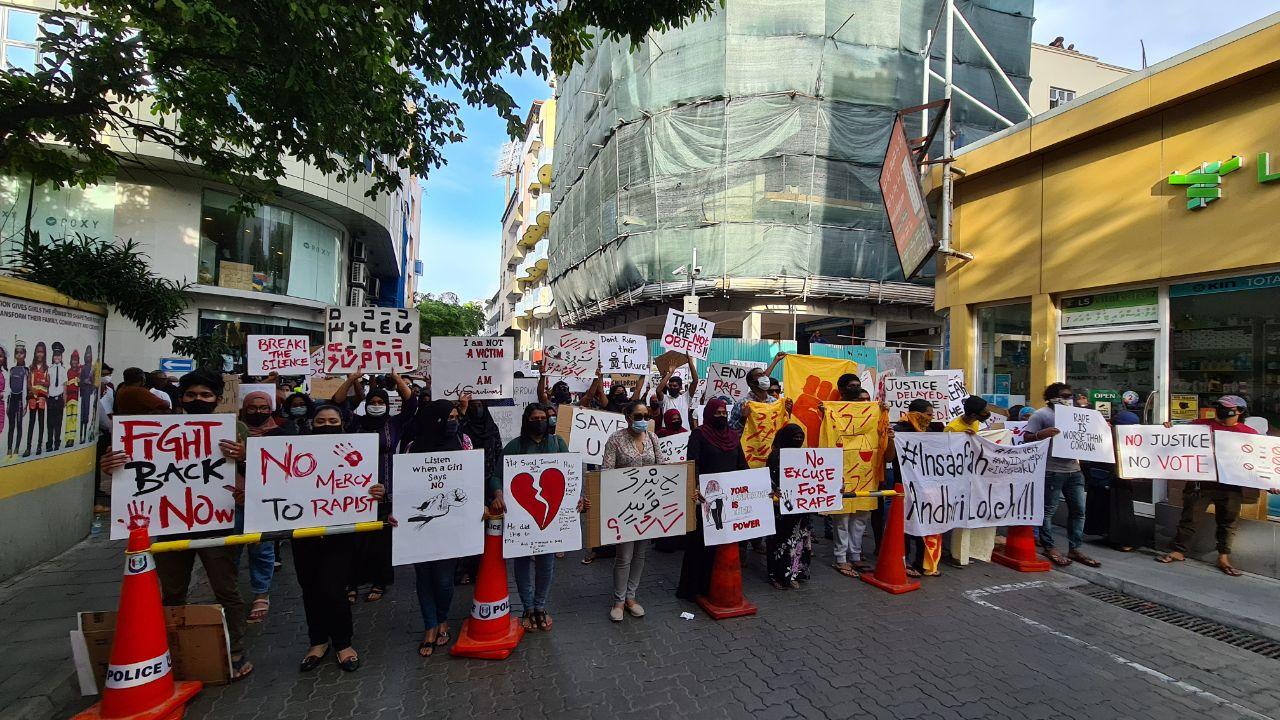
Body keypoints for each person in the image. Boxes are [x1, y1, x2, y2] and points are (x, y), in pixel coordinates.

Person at [100, 369, 255, 680]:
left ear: (217, 399)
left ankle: (234, 648)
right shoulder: (152, 428)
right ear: (181, 397)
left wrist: (243, 455)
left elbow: (256, 472)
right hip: (169, 523)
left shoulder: (235, 427)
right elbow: (124, 469)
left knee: (227, 589)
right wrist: (108, 466)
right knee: (172, 592)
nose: (198, 400)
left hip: (216, 521)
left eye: (205, 395)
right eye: (192, 395)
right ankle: (171, 649)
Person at [1157, 395, 1276, 576]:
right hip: (1200, 483)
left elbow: (1260, 462)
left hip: (1230, 486)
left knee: (1228, 522)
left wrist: (1270, 482)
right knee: (1189, 518)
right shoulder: (1199, 425)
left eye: (1226, 407)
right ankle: (1179, 551)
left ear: (1240, 411)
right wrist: (1169, 429)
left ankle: (1223, 556)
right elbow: (1176, 438)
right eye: (1219, 406)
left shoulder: (1249, 434)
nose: (1221, 409)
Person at [496, 403, 585, 631]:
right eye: (535, 418)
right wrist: (497, 494)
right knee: (523, 561)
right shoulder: (514, 447)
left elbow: (571, 475)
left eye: (543, 417)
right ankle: (527, 607)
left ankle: (540, 606)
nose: (540, 421)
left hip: (552, 518)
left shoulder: (558, 444)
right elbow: (496, 476)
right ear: (527, 421)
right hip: (522, 517)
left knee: (546, 562)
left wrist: (579, 497)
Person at [332, 370, 414, 603]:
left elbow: (411, 404)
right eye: (372, 402)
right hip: (353, 492)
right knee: (353, 541)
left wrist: (397, 378)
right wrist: (351, 379)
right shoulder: (355, 422)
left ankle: (380, 581)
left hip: (385, 491)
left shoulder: (394, 424)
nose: (376, 405)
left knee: (381, 542)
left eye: (380, 402)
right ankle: (352, 583)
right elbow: (337, 404)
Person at [293, 404, 361, 672]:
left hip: (339, 534)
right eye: (320, 421)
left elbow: (364, 483)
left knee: (334, 590)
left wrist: (376, 491)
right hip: (303, 533)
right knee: (310, 589)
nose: (326, 425)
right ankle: (318, 641)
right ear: (311, 423)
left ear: (342, 423)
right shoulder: (295, 450)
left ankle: (343, 643)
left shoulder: (356, 450)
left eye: (332, 420)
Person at [400, 398, 471, 655]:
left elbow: (470, 480)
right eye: (448, 418)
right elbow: (405, 485)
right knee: (423, 577)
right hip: (420, 525)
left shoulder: (464, 444)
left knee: (442, 580)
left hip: (450, 523)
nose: (452, 422)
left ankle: (442, 618)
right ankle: (430, 625)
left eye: (455, 417)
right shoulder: (412, 447)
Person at [600, 400, 667, 621]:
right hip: (625, 506)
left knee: (640, 554)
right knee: (624, 556)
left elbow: (662, 467)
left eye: (646, 415)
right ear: (627, 416)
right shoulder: (615, 440)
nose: (643, 420)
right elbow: (606, 471)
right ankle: (618, 601)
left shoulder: (653, 438)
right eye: (638, 416)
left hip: (649, 505)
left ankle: (631, 597)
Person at [1022, 382, 1100, 568]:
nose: (1068, 399)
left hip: (1074, 470)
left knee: (1079, 511)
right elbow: (1026, 437)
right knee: (1049, 510)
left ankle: (1075, 547)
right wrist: (1042, 434)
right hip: (1052, 470)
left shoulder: (1077, 415)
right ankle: (1049, 546)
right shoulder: (1041, 415)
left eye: (1070, 396)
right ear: (1052, 397)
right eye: (1064, 396)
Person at [678, 399, 748, 600]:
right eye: (717, 413)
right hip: (705, 498)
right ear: (709, 414)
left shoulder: (733, 436)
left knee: (722, 543)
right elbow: (694, 463)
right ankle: (694, 588)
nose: (722, 416)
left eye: (724, 413)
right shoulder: (699, 434)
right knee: (701, 543)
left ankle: (716, 586)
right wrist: (696, 487)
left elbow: (741, 464)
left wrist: (756, 486)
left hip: (729, 497)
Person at [886, 399, 943, 577]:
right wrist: (891, 441)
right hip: (904, 485)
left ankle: (922, 562)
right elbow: (888, 458)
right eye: (928, 414)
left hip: (926, 487)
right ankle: (905, 561)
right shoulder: (899, 431)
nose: (930, 418)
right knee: (905, 525)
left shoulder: (931, 431)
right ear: (917, 414)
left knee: (923, 524)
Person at [239, 391, 278, 624]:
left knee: (261, 549)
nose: (259, 412)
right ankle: (229, 593)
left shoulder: (281, 432)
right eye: (252, 408)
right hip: (232, 498)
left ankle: (261, 592)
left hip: (265, 499)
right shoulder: (233, 432)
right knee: (229, 550)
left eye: (264, 407)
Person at [1084, 396, 1141, 552]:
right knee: (1113, 508)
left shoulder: (1123, 436)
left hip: (1117, 478)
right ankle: (1111, 535)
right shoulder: (1106, 436)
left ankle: (1118, 537)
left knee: (1118, 508)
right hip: (1109, 477)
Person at [944, 396, 993, 567]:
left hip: (971, 476)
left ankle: (959, 550)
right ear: (973, 414)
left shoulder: (976, 423)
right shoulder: (953, 428)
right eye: (984, 411)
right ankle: (951, 551)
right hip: (955, 478)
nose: (987, 413)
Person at [766, 424, 813, 589]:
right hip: (782, 509)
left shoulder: (805, 455)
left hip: (801, 509)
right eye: (795, 436)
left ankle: (795, 573)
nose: (799, 440)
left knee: (799, 541)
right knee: (782, 542)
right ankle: (778, 576)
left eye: (801, 437)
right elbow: (770, 481)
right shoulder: (775, 456)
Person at [729, 352, 788, 430]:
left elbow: (781, 425)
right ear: (751, 383)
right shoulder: (743, 404)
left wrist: (788, 412)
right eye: (760, 375)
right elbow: (731, 429)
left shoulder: (774, 402)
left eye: (764, 374)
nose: (765, 377)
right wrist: (743, 418)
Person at [655, 355, 700, 431]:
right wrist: (670, 373)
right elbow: (658, 390)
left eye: (675, 386)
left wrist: (690, 362)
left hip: (684, 433)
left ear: (680, 387)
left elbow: (695, 380)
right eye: (670, 385)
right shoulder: (665, 399)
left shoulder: (685, 398)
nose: (672, 387)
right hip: (668, 434)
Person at [23, 341, 49, 457]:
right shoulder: (31, 367)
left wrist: (41, 382)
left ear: (44, 354)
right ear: (35, 353)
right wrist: (31, 390)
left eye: (42, 352)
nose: (40, 354)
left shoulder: (46, 368)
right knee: (31, 422)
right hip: (33, 397)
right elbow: (28, 382)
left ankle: (39, 446)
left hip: (42, 397)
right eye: (38, 352)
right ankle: (28, 448)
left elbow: (48, 383)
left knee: (41, 422)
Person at [45, 342, 66, 452]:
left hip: (59, 399)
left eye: (59, 355)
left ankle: (57, 442)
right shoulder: (50, 369)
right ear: (52, 357)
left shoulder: (63, 369)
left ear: (61, 357)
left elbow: (64, 385)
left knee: (58, 423)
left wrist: (65, 400)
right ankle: (49, 443)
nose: (57, 357)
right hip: (51, 399)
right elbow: (48, 383)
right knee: (50, 423)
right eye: (55, 355)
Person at [6, 341, 26, 457]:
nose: (19, 355)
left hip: (20, 401)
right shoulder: (12, 369)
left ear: (25, 355)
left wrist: (25, 405)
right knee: (11, 426)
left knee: (19, 425)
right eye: (17, 353)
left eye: (21, 353)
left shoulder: (26, 370)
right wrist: (8, 404)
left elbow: (25, 389)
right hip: (12, 400)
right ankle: (9, 449)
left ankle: (17, 448)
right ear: (15, 355)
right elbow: (9, 388)